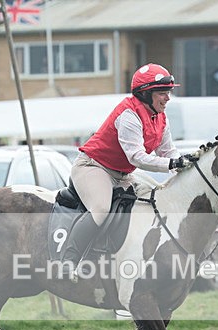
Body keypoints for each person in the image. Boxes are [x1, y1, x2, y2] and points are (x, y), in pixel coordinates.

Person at [61, 63, 187, 272]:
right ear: (146, 94)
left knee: (155, 201)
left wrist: (185, 164)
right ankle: (68, 260)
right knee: (101, 209)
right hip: (93, 166)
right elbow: (137, 157)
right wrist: (172, 164)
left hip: (122, 174)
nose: (168, 98)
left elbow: (168, 152)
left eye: (169, 92)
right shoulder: (129, 114)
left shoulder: (161, 117)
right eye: (163, 93)